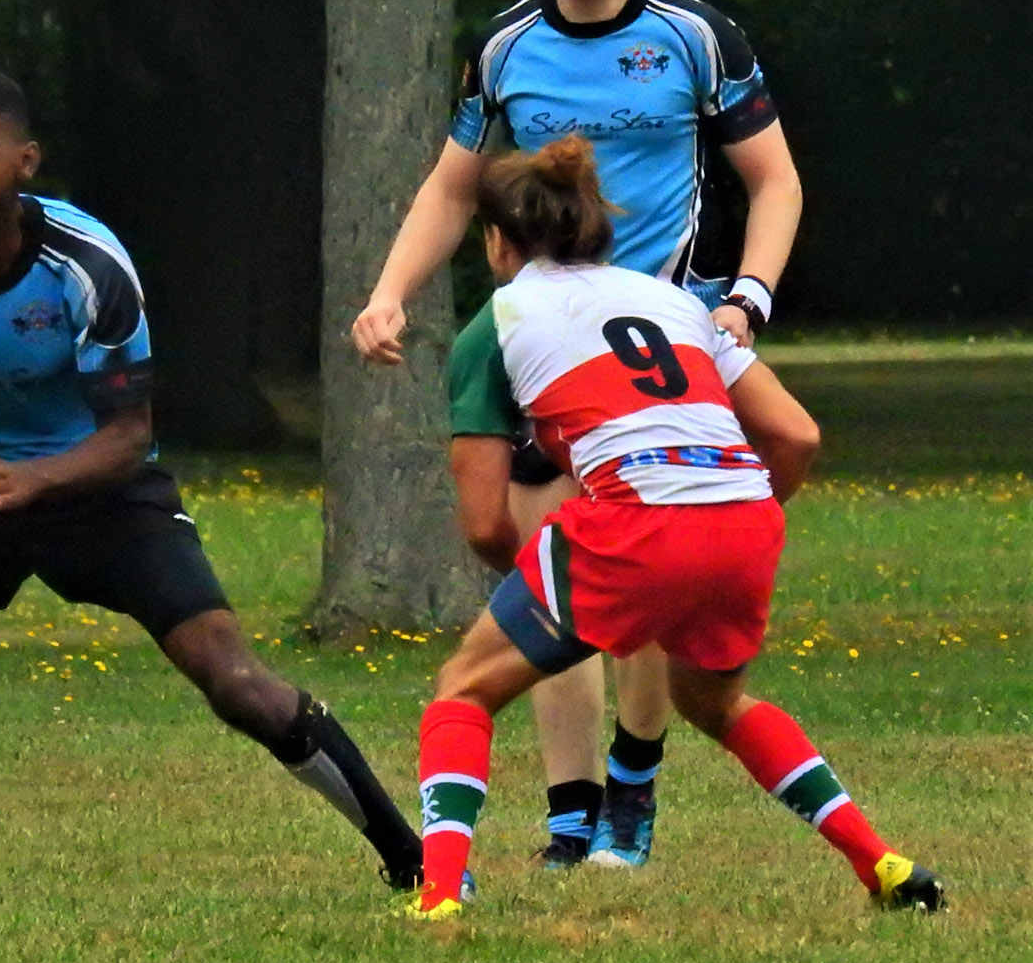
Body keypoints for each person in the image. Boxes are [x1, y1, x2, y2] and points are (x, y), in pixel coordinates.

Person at [0, 68, 425, 903]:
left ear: (25, 161)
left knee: (234, 681)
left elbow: (128, 435)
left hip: (95, 488)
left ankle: (412, 857)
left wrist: (32, 478)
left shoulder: (87, 263)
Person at [351, 0, 806, 870]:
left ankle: (631, 786)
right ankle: (569, 816)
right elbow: (450, 186)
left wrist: (745, 300)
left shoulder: (695, 36)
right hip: (550, 343)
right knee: (548, 567)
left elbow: (773, 181)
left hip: (671, 339)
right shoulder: (506, 46)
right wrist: (387, 294)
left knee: (651, 578)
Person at [402, 134, 939, 920]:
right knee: (716, 704)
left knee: (464, 691)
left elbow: (486, 520)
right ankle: (882, 864)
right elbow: (797, 438)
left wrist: (564, 599)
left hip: (631, 527)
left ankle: (440, 897)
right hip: (743, 518)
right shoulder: (677, 303)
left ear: (497, 240)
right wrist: (725, 528)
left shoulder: (500, 320)